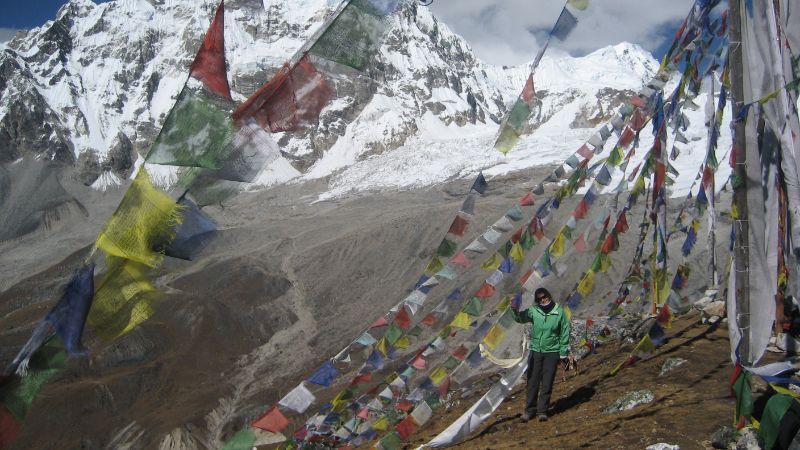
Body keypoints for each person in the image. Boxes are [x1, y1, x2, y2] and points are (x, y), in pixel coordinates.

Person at [512, 287, 572, 422]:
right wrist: (514, 309)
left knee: (547, 382)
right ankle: (529, 411)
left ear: (549, 295)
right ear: (537, 301)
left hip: (552, 352)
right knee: (532, 382)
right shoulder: (534, 311)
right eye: (539, 299)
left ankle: (542, 411)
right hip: (535, 352)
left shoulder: (559, 312)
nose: (543, 300)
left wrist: (563, 353)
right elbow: (520, 318)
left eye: (544, 297)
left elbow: (564, 333)